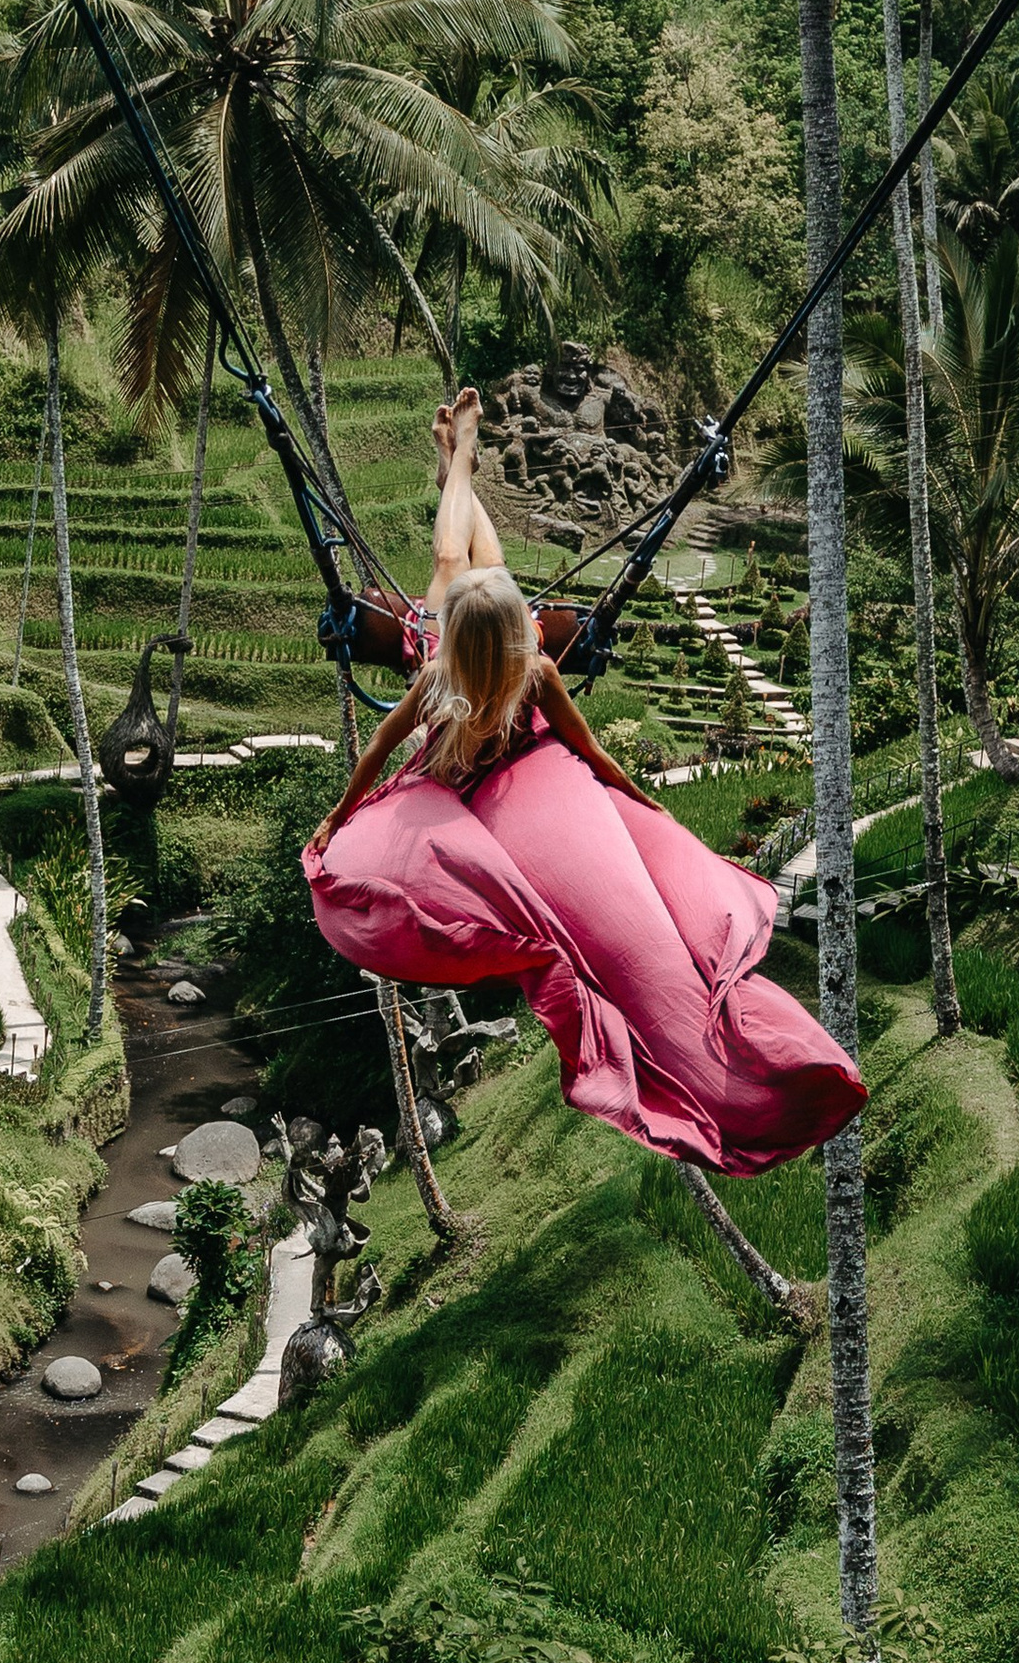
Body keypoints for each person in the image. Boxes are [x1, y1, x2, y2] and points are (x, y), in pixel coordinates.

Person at [304, 389, 864, 1178]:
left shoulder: (533, 669)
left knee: (464, 567)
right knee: (455, 569)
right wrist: (340, 818)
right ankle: (456, 456)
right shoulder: (436, 674)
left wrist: (638, 804)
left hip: (478, 636)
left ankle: (456, 458)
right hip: (459, 635)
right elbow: (376, 759)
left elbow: (591, 752)